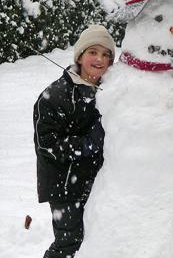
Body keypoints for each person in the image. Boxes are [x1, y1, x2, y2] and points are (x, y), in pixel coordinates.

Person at [33, 25, 115, 258]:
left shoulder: (110, 90)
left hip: (96, 181)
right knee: (70, 244)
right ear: (80, 55)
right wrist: (88, 143)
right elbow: (47, 145)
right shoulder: (55, 96)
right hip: (65, 185)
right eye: (93, 51)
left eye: (106, 54)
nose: (99, 59)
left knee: (96, 240)